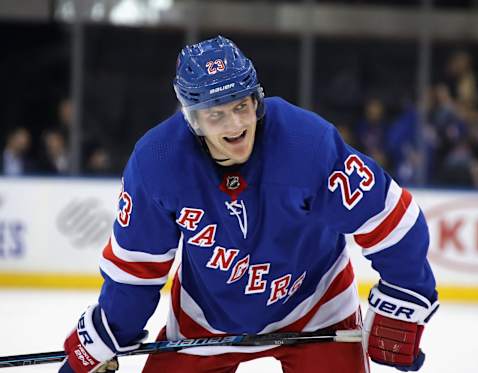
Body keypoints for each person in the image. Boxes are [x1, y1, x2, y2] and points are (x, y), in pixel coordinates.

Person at [59, 36, 438, 373]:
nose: (235, 124)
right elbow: (137, 269)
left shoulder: (307, 144)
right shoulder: (157, 162)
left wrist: (405, 295)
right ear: (192, 119)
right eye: (216, 114)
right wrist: (110, 329)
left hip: (316, 310)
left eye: (241, 106)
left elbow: (393, 219)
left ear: (256, 99)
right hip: (206, 320)